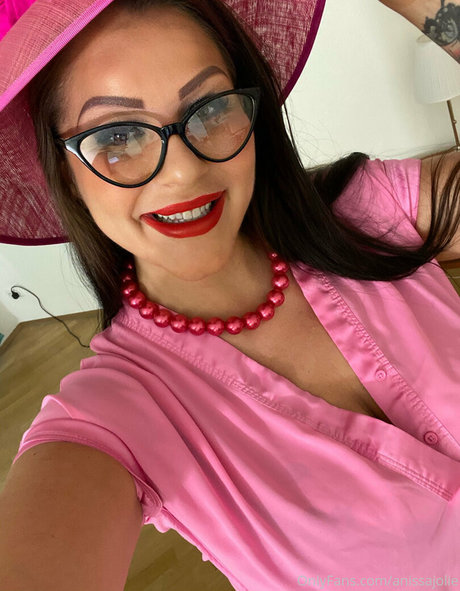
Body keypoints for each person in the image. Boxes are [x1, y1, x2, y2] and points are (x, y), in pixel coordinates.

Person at [0, 0, 459, 589]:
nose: (184, 172)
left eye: (211, 108)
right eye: (117, 135)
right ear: (64, 172)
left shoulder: (372, 210)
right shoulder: (111, 416)